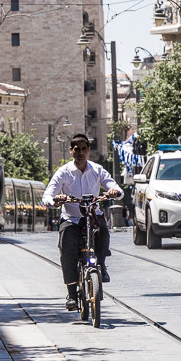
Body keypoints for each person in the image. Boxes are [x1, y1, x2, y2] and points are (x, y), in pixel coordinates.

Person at [42, 133, 122, 310]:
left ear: (88, 151)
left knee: (102, 231)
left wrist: (114, 192)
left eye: (83, 149)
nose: (80, 153)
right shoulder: (63, 172)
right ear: (71, 151)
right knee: (67, 247)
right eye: (76, 149)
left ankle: (101, 264)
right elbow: (47, 195)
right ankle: (71, 294)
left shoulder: (97, 170)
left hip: (92, 216)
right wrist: (56, 200)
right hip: (71, 219)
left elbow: (114, 186)